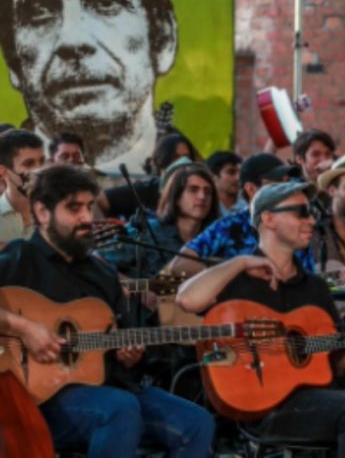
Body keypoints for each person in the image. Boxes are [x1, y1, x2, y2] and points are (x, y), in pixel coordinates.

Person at [176, 181, 345, 458]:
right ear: (268, 219)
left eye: (312, 212)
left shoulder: (314, 287)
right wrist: (241, 262)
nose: (311, 220)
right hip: (267, 405)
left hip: (324, 396)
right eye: (301, 212)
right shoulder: (236, 277)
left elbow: (332, 365)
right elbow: (187, 300)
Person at [0, 165, 214, 456]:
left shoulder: (102, 272)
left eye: (89, 207)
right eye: (73, 208)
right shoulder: (19, 259)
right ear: (41, 212)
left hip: (111, 387)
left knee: (197, 422)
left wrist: (131, 356)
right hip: (38, 398)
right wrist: (25, 328)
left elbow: (121, 341)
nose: (86, 218)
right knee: (119, 409)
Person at [0, 0, 179, 174]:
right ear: (12, 59)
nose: (73, 39)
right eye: (39, 11)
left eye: (107, 3)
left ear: (163, 38)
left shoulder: (193, 170)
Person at [167, 153, 314, 276]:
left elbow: (310, 281)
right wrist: (235, 273)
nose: (285, 189)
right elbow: (180, 264)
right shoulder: (229, 225)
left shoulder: (296, 224)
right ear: (251, 189)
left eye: (287, 182)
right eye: (276, 183)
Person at [99, 164, 219, 278]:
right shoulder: (147, 230)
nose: (202, 196)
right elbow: (98, 260)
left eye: (208, 192)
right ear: (176, 197)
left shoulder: (216, 239)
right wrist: (141, 290)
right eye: (193, 190)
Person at [0, 129, 45, 249]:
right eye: (29, 164)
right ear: (3, 172)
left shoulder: (58, 211)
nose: (39, 169)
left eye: (42, 161)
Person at [206, 150, 246, 216]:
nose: (238, 178)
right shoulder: (205, 208)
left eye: (239, 173)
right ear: (213, 177)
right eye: (231, 172)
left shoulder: (248, 209)